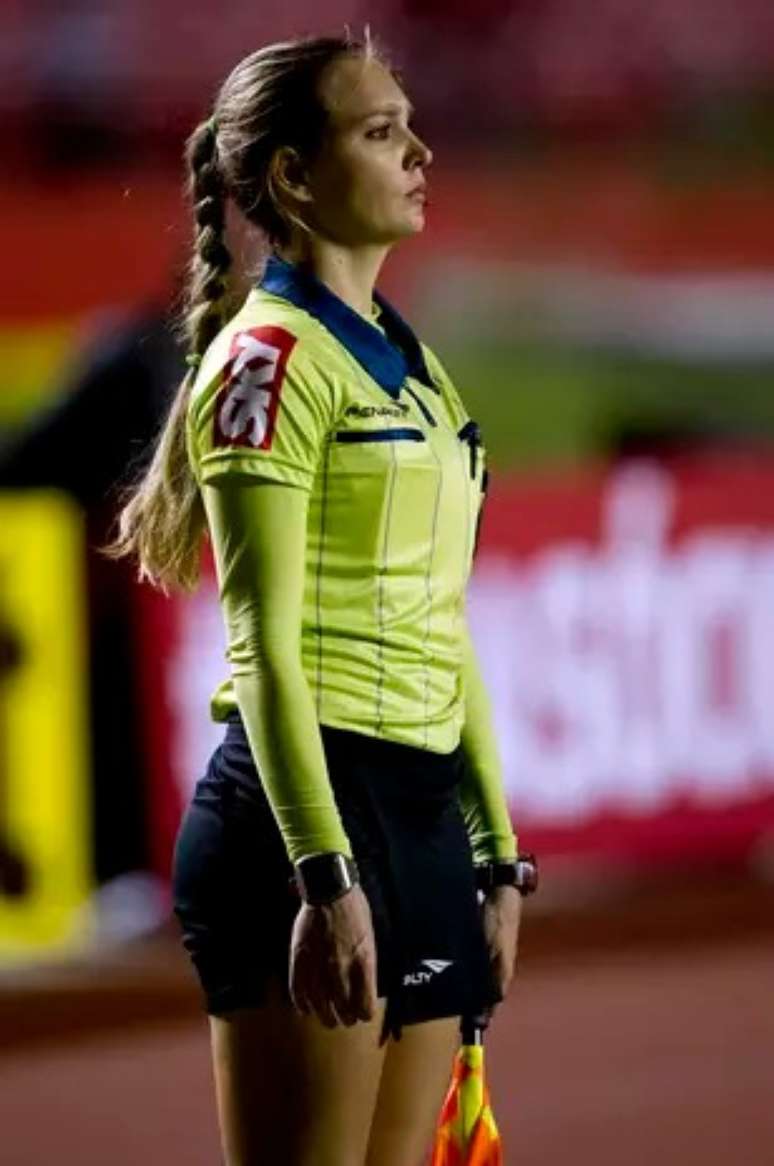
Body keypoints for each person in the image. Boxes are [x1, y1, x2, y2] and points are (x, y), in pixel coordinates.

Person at [107, 31, 528, 1166]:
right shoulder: (265, 363)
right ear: (292, 175)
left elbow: (444, 622)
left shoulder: (413, 361)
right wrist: (325, 873)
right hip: (307, 829)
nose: (420, 151)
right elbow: (266, 644)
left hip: (422, 814)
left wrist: (495, 849)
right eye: (381, 130)